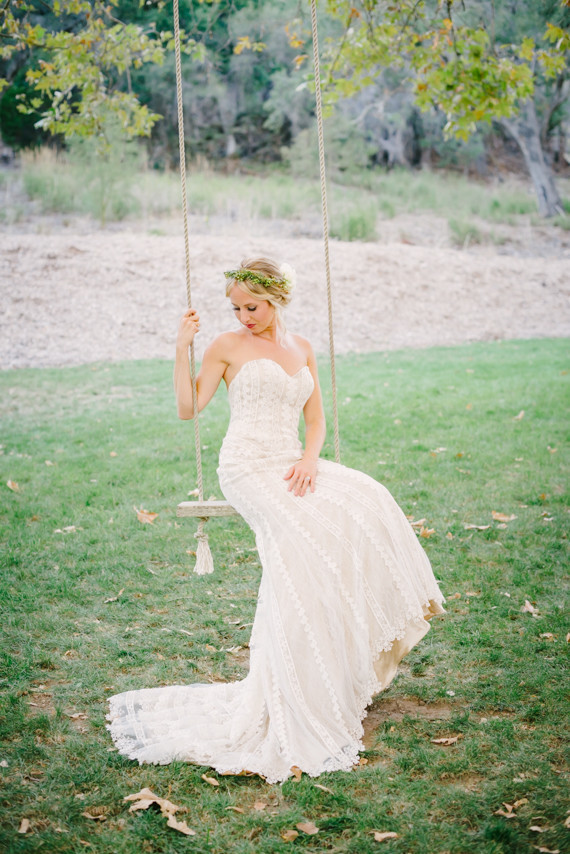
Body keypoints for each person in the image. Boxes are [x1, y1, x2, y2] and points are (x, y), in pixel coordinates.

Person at [107, 256, 446, 783]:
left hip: (292, 464)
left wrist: (311, 459)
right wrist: (181, 348)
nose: (244, 316)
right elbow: (186, 408)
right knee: (301, 543)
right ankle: (294, 683)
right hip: (246, 467)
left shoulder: (302, 347)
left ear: (278, 298)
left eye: (254, 306)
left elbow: (315, 419)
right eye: (237, 307)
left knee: (367, 499)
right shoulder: (224, 346)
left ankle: (341, 663)